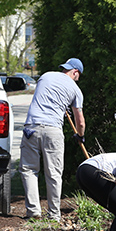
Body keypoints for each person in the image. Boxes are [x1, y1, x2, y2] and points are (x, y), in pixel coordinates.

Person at [20, 58, 85, 222]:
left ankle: (33, 211)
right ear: (75, 72)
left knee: (29, 170)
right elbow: (81, 122)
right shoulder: (75, 90)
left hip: (31, 127)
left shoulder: (46, 76)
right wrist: (80, 135)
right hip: (53, 131)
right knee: (54, 174)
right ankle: (54, 215)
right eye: (78, 75)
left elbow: (45, 98)